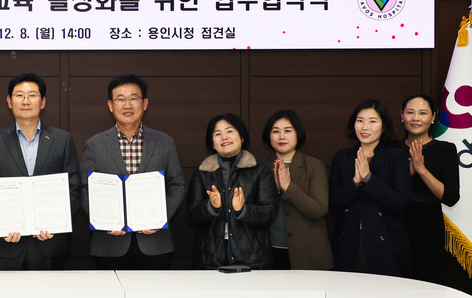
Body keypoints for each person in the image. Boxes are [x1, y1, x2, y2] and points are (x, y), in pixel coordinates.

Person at [80, 74, 186, 270]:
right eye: (120, 99)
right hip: (110, 245)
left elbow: (177, 184)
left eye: (133, 98)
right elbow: (85, 188)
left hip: (155, 244)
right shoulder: (95, 144)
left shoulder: (164, 142)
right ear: (110, 105)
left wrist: (160, 217)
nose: (127, 105)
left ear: (144, 103)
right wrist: (102, 220)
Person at [0, 72, 80, 270]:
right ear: (9, 101)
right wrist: (3, 225)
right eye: (19, 95)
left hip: (50, 243)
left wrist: (57, 224)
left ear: (43, 102)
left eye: (32, 95)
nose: (26, 101)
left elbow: (73, 188)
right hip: (8, 243)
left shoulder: (62, 139)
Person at [329, 99, 411, 276]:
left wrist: (369, 178)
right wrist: (355, 182)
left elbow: (401, 203)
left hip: (384, 240)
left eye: (372, 121)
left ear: (383, 126)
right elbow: (333, 203)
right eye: (360, 120)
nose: (365, 127)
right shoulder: (342, 156)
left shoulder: (396, 156)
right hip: (349, 239)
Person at [187, 113, 279, 269]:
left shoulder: (259, 170)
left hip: (251, 259)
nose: (224, 137)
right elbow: (192, 217)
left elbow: (270, 213)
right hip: (209, 259)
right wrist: (211, 207)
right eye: (217, 134)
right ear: (212, 143)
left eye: (229, 131)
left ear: (242, 137)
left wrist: (243, 210)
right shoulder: (202, 171)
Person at [262, 109, 333, 270]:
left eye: (288, 131)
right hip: (268, 250)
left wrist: (289, 188)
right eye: (275, 131)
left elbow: (319, 210)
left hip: (307, 252)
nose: (281, 137)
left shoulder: (314, 166)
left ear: (298, 133)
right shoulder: (260, 167)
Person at [399, 94, 460, 283]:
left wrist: (421, 169)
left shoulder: (446, 149)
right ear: (402, 115)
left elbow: (450, 197)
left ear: (433, 117)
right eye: (410, 112)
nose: (416, 118)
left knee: (428, 284)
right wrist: (409, 170)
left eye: (423, 113)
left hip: (429, 227)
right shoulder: (390, 149)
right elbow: (384, 190)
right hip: (395, 225)